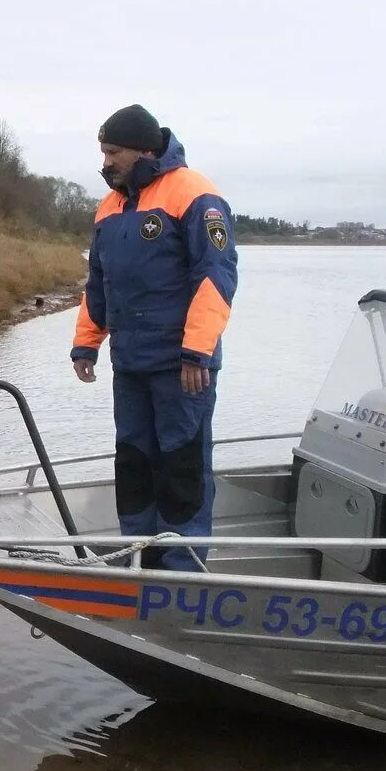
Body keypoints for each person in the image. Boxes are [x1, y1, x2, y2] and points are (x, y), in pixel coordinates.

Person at [71, 105, 238, 571]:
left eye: (113, 152)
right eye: (102, 152)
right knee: (135, 464)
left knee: (182, 467)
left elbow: (216, 277)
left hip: (183, 367)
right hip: (130, 365)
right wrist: (87, 342)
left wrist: (197, 351)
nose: (105, 163)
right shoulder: (110, 206)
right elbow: (99, 281)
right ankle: (139, 559)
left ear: (145, 149)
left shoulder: (196, 194)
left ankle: (183, 573)